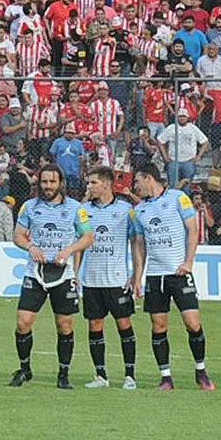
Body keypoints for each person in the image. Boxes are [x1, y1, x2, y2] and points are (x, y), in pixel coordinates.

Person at [9, 165, 94, 389]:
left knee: (64, 325)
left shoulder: (75, 208)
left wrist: (68, 251)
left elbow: (88, 236)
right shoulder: (29, 207)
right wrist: (30, 247)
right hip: (35, 272)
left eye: (52, 182)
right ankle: (25, 369)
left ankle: (63, 374)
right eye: (44, 182)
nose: (48, 186)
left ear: (61, 183)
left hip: (63, 274)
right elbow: (18, 236)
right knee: (23, 322)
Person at [129, 163, 213, 391]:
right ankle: (165, 377)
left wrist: (189, 262)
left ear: (148, 178)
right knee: (158, 325)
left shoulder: (178, 198)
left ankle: (201, 371)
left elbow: (193, 229)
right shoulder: (139, 210)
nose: (135, 187)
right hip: (155, 276)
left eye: (137, 181)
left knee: (193, 323)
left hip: (179, 272)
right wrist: (138, 276)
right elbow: (139, 245)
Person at [79, 167, 140, 390]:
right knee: (95, 325)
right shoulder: (84, 210)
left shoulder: (126, 210)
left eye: (93, 183)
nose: (89, 187)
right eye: (88, 182)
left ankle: (130, 376)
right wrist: (75, 274)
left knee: (124, 324)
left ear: (106, 184)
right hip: (91, 280)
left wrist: (136, 274)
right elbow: (79, 245)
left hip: (117, 280)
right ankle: (100, 375)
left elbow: (136, 242)